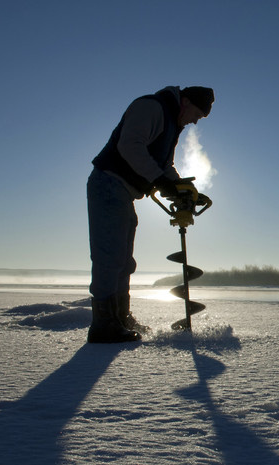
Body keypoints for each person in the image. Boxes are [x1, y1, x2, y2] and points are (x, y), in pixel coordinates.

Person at [86, 86, 214, 343]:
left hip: (124, 192)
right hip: (109, 184)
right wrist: (161, 181)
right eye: (196, 115)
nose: (194, 122)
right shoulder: (152, 108)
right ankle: (103, 324)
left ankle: (120, 317)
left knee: (123, 260)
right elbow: (130, 145)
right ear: (185, 102)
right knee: (110, 256)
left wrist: (182, 190)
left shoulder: (171, 124)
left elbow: (164, 166)